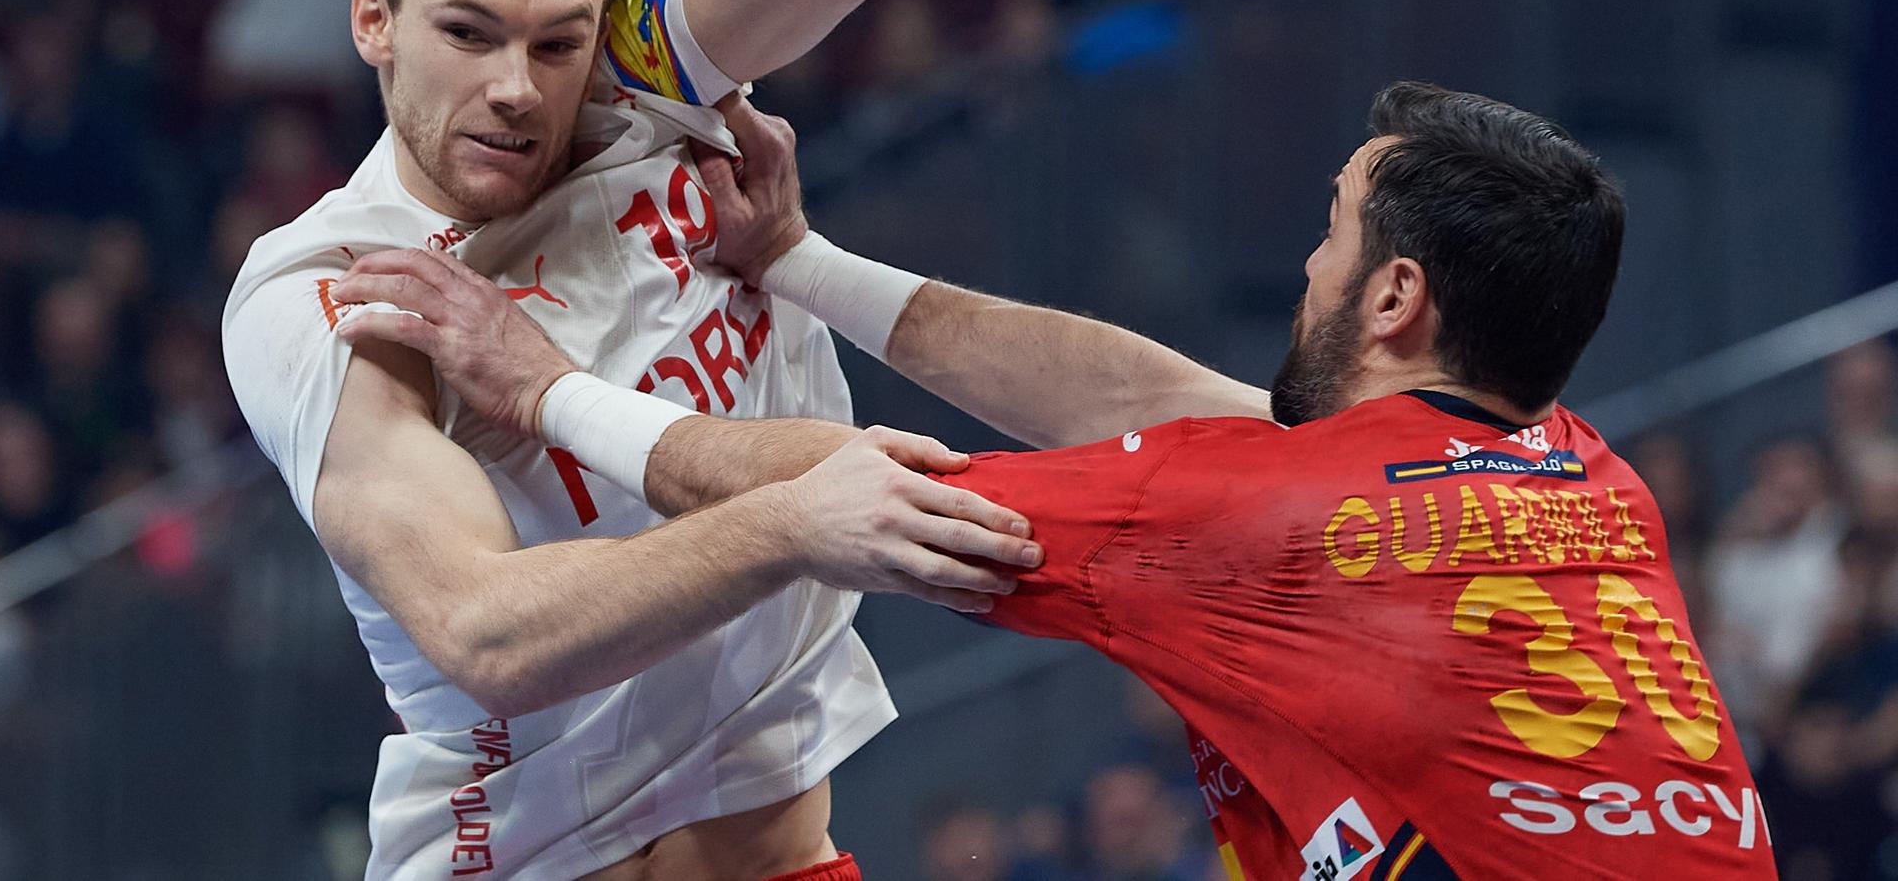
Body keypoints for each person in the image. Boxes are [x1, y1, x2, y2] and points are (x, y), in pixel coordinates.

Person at [336, 82, 1775, 877]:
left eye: (1332, 232)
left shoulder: (1267, 523)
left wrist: (547, 391)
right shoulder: (1580, 470)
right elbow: (1150, 399)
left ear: (1395, 295)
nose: (1307, 261)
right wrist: (796, 267)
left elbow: (875, 494)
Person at [222, 0, 1042, 881]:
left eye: (552, 42)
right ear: (374, 20)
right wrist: (798, 523)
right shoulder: (334, 283)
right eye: (465, 33)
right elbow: (484, 632)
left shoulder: (633, 73)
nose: (516, 84)